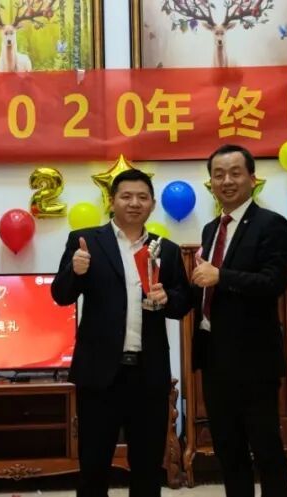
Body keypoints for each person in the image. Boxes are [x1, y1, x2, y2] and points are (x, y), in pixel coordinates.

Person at [51, 168, 191, 497]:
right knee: (93, 466)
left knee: (147, 468)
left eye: (142, 197)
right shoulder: (86, 241)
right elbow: (61, 295)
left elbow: (183, 302)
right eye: (126, 196)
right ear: (112, 201)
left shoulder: (166, 249)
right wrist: (75, 271)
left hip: (148, 374)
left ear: (152, 204)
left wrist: (168, 298)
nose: (134, 203)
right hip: (99, 374)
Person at [191, 144, 287, 497]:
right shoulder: (211, 229)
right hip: (214, 357)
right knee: (228, 451)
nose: (227, 181)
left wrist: (222, 276)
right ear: (211, 182)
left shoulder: (271, 224)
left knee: (266, 450)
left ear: (252, 178)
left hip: (254, 360)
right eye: (218, 175)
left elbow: (273, 282)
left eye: (235, 173)